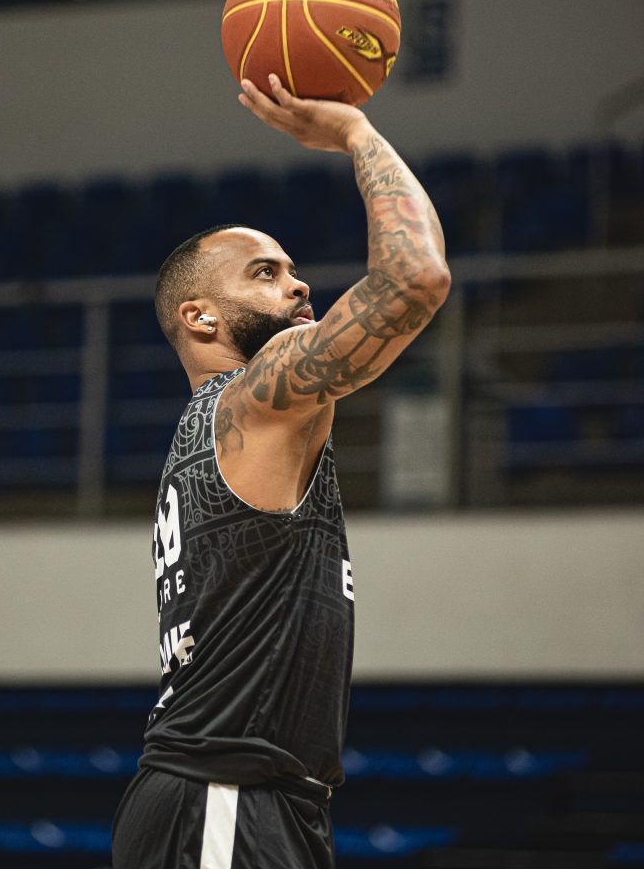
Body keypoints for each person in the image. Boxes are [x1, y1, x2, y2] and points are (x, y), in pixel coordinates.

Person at [111, 73, 450, 869]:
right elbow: (417, 278)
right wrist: (357, 135)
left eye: (291, 269)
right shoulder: (257, 396)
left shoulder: (216, 425)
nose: (297, 283)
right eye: (264, 273)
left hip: (239, 800)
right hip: (225, 798)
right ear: (198, 315)